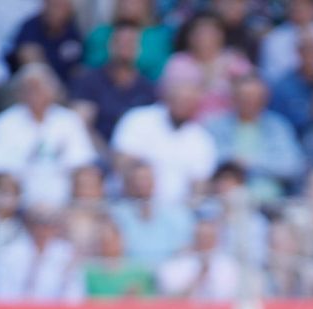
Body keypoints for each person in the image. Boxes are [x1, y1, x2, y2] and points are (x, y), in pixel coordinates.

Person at [0, 64, 97, 208]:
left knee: (88, 180)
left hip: (64, 199)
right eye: (29, 88)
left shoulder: (69, 120)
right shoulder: (3, 123)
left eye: (40, 87)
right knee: (4, 187)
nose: (35, 93)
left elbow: (82, 160)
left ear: (53, 90)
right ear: (19, 93)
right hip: (18, 200)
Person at [111, 76, 220, 205]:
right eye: (180, 99)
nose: (184, 105)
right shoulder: (139, 119)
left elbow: (200, 184)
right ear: (168, 98)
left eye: (190, 101)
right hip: (131, 204)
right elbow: (122, 162)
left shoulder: (202, 139)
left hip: (178, 213)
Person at [205, 75, 305, 202]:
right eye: (244, 97)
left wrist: (251, 163)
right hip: (223, 198)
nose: (249, 101)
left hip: (269, 203)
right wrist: (233, 162)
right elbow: (206, 160)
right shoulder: (216, 125)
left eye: (254, 97)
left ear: (264, 99)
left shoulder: (278, 127)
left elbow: (291, 166)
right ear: (234, 98)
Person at [69, 20, 157, 146]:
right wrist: (107, 156)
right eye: (120, 42)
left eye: (130, 42)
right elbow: (79, 125)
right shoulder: (90, 80)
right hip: (95, 152)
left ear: (139, 48)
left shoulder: (148, 88)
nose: (125, 47)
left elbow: (151, 131)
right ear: (110, 46)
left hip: (133, 154)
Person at [160, 11, 253, 120]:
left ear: (221, 35)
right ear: (189, 36)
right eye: (200, 33)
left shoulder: (235, 60)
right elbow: (172, 101)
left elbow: (251, 93)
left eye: (211, 32)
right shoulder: (178, 62)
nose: (205, 38)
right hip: (187, 127)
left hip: (228, 128)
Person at [0, 206, 84, 303]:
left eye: (51, 223)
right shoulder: (8, 254)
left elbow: (74, 296)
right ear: (28, 224)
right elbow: (0, 295)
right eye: (40, 222)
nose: (44, 229)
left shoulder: (65, 254)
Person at [111, 162, 195, 268]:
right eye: (137, 179)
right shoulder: (118, 214)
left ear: (154, 181)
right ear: (128, 184)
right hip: (131, 272)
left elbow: (184, 247)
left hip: (169, 270)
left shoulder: (176, 212)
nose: (141, 184)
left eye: (145, 179)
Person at [269, 27, 313, 136]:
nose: (311, 54)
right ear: (298, 51)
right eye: (306, 49)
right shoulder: (282, 88)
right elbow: (279, 127)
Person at [81, 0, 174, 81]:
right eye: (125, 0)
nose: (129, 4)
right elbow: (91, 64)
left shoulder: (159, 37)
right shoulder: (100, 33)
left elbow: (158, 69)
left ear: (147, 5)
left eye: (136, 1)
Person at [157, 215, 241, 300]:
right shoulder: (178, 264)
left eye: (209, 238)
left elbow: (229, 297)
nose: (205, 242)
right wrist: (199, 277)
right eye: (201, 237)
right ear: (195, 238)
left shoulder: (229, 265)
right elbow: (172, 299)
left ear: (216, 240)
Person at [6, 0, 85, 84]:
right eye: (54, 6)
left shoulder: (72, 33)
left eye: (62, 6)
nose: (57, 11)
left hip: (62, 89)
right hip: (27, 85)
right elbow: (26, 54)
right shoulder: (31, 26)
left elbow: (75, 68)